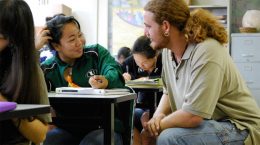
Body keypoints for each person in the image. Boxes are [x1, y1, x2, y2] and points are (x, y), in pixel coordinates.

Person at [141, 0, 260, 145]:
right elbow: (168, 92)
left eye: (148, 26)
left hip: (240, 127)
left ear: (165, 27)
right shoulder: (167, 52)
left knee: (169, 137)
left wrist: (155, 128)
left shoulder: (206, 50)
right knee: (158, 132)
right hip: (209, 123)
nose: (145, 32)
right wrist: (157, 116)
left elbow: (193, 115)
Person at [39, 15, 125, 145]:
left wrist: (106, 80)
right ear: (56, 46)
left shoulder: (96, 53)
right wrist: (34, 49)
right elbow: (29, 87)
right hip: (67, 128)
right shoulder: (48, 69)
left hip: (104, 126)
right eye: (72, 39)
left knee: (91, 142)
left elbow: (114, 70)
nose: (79, 42)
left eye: (80, 35)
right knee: (47, 141)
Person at [0, 0, 51, 145]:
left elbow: (40, 135)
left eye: (0, 37)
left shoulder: (29, 72)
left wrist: (5, 105)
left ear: (15, 40)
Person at [121, 35, 162, 145]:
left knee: (151, 128)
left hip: (162, 107)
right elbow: (120, 75)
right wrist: (124, 77)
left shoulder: (165, 61)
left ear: (155, 56)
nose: (140, 65)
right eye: (137, 61)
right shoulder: (130, 63)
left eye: (144, 63)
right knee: (129, 120)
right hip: (139, 106)